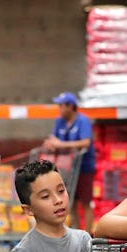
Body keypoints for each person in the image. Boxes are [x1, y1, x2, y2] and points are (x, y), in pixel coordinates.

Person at [42, 92, 96, 232]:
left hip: (83, 168)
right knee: (70, 202)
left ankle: (89, 236)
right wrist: (50, 144)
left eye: (61, 105)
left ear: (71, 106)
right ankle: (76, 231)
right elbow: (55, 139)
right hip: (67, 170)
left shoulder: (83, 121)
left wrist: (61, 144)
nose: (59, 108)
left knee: (85, 202)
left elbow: (85, 142)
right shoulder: (59, 121)